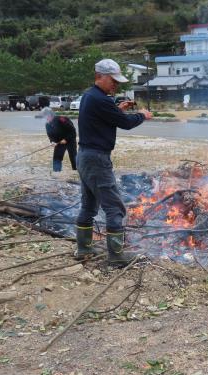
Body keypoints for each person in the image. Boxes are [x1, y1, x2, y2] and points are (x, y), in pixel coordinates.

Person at [75, 58, 153, 264]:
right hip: (97, 159)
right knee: (115, 208)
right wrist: (142, 115)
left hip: (84, 156)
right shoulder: (101, 99)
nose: (116, 84)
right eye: (113, 80)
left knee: (89, 206)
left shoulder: (89, 96)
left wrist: (117, 109)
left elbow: (104, 117)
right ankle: (116, 256)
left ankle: (83, 249)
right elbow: (126, 123)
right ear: (99, 76)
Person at [41, 107, 77, 172]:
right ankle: (57, 172)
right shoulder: (47, 125)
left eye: (47, 116)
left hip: (70, 140)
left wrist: (66, 139)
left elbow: (73, 131)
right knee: (56, 158)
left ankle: (77, 171)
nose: (46, 118)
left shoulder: (61, 119)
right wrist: (52, 141)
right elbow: (50, 135)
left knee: (73, 157)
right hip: (59, 142)